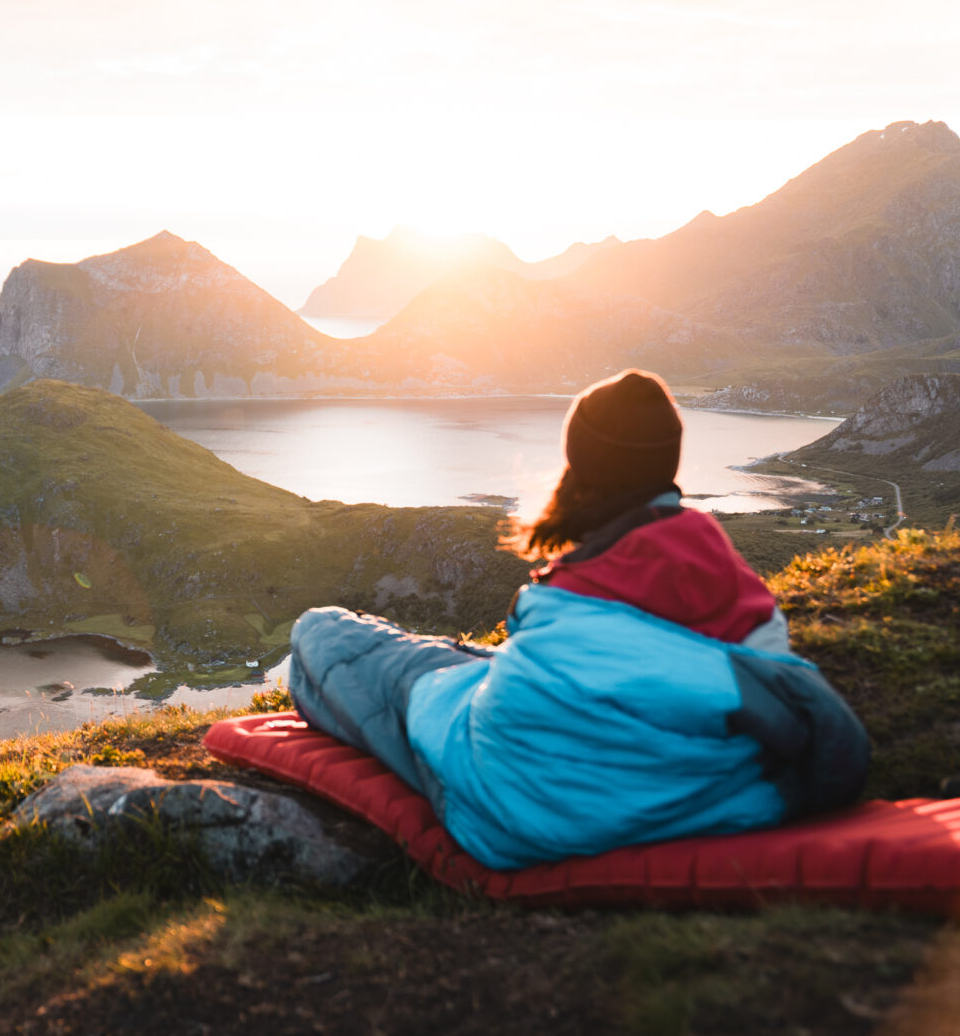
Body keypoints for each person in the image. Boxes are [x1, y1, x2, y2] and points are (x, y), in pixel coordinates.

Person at [287, 368, 869, 870]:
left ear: (582, 461)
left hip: (510, 810)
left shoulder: (570, 600)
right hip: (701, 789)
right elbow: (645, 667)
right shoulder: (739, 593)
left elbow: (590, 666)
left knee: (321, 632)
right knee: (469, 661)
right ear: (668, 461)